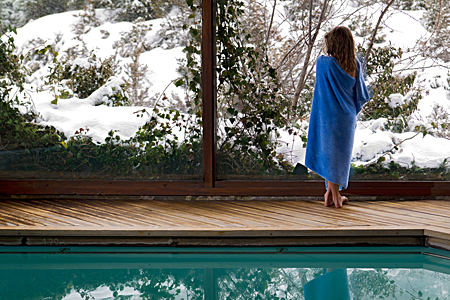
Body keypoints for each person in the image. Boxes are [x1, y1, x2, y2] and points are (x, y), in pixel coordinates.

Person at [305, 26, 370, 208]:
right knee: (338, 157)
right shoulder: (354, 64)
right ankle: (332, 195)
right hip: (347, 118)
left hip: (328, 117)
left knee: (329, 155)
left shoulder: (323, 63)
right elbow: (361, 95)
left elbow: (321, 92)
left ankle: (333, 196)